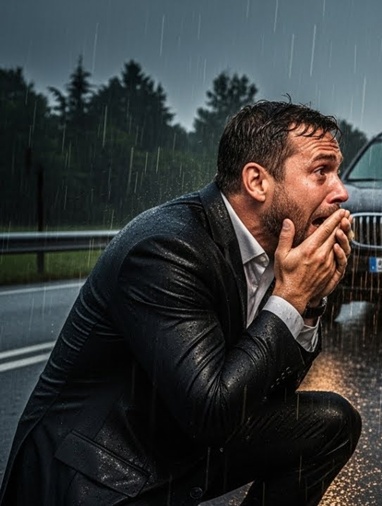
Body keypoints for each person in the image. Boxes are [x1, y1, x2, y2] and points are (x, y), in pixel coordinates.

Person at [0, 101, 361, 506]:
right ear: (258, 182)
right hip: (96, 476)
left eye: (337, 172)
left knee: (330, 424)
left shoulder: (274, 251)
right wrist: (290, 298)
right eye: (321, 172)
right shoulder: (166, 249)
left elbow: (264, 395)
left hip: (174, 440)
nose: (341, 191)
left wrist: (307, 305)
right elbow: (211, 413)